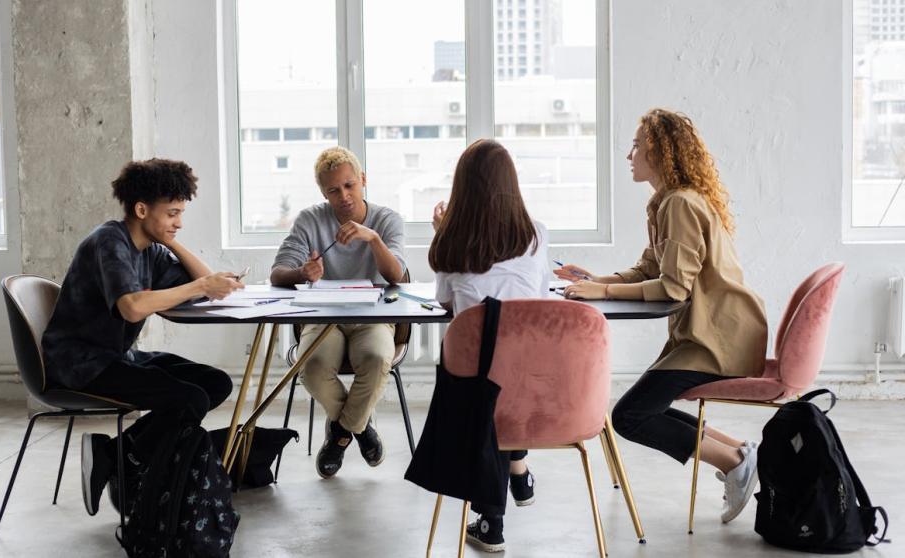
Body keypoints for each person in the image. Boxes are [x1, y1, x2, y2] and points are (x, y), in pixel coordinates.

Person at [558, 108, 769, 524]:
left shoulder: (680, 204)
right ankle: (740, 452)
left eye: (638, 145)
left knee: (629, 416)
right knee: (638, 408)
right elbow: (649, 270)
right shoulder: (667, 202)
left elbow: (673, 288)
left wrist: (601, 291)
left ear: (660, 151)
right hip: (707, 336)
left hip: (721, 341)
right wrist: (596, 278)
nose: (629, 154)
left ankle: (732, 463)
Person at [41, 158, 242, 516]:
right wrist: (199, 284)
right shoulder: (109, 241)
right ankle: (128, 464)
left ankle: (116, 455)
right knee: (190, 400)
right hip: (80, 362)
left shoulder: (148, 249)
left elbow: (205, 287)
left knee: (215, 384)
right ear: (141, 209)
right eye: (172, 214)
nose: (179, 222)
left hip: (115, 356)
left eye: (181, 214)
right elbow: (132, 307)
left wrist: (173, 242)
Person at [430, 139, 549, 553]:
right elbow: (537, 299)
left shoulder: (451, 242)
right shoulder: (535, 235)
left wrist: (441, 233)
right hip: (530, 375)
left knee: (486, 387)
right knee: (505, 378)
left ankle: (492, 522)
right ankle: (518, 468)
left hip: (470, 383)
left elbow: (446, 302)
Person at [270, 146, 406, 479]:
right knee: (312, 367)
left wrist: (373, 239)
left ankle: (341, 434)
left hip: (372, 316)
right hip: (322, 316)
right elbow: (277, 273)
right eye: (333, 190)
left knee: (376, 359)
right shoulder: (310, 220)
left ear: (363, 180)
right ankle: (361, 426)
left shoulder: (386, 220)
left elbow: (396, 276)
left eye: (349, 185)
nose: (343, 196)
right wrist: (303, 273)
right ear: (323, 192)